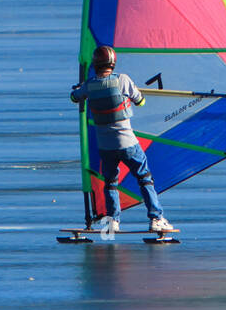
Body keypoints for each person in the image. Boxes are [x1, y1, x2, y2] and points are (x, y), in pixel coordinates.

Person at [70, 45, 173, 234]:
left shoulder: (89, 85)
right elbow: (140, 101)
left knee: (110, 183)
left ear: (95, 64)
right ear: (113, 63)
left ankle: (112, 222)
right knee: (144, 179)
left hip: (106, 147)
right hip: (128, 144)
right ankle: (156, 218)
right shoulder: (123, 80)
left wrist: (80, 88)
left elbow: (74, 97)